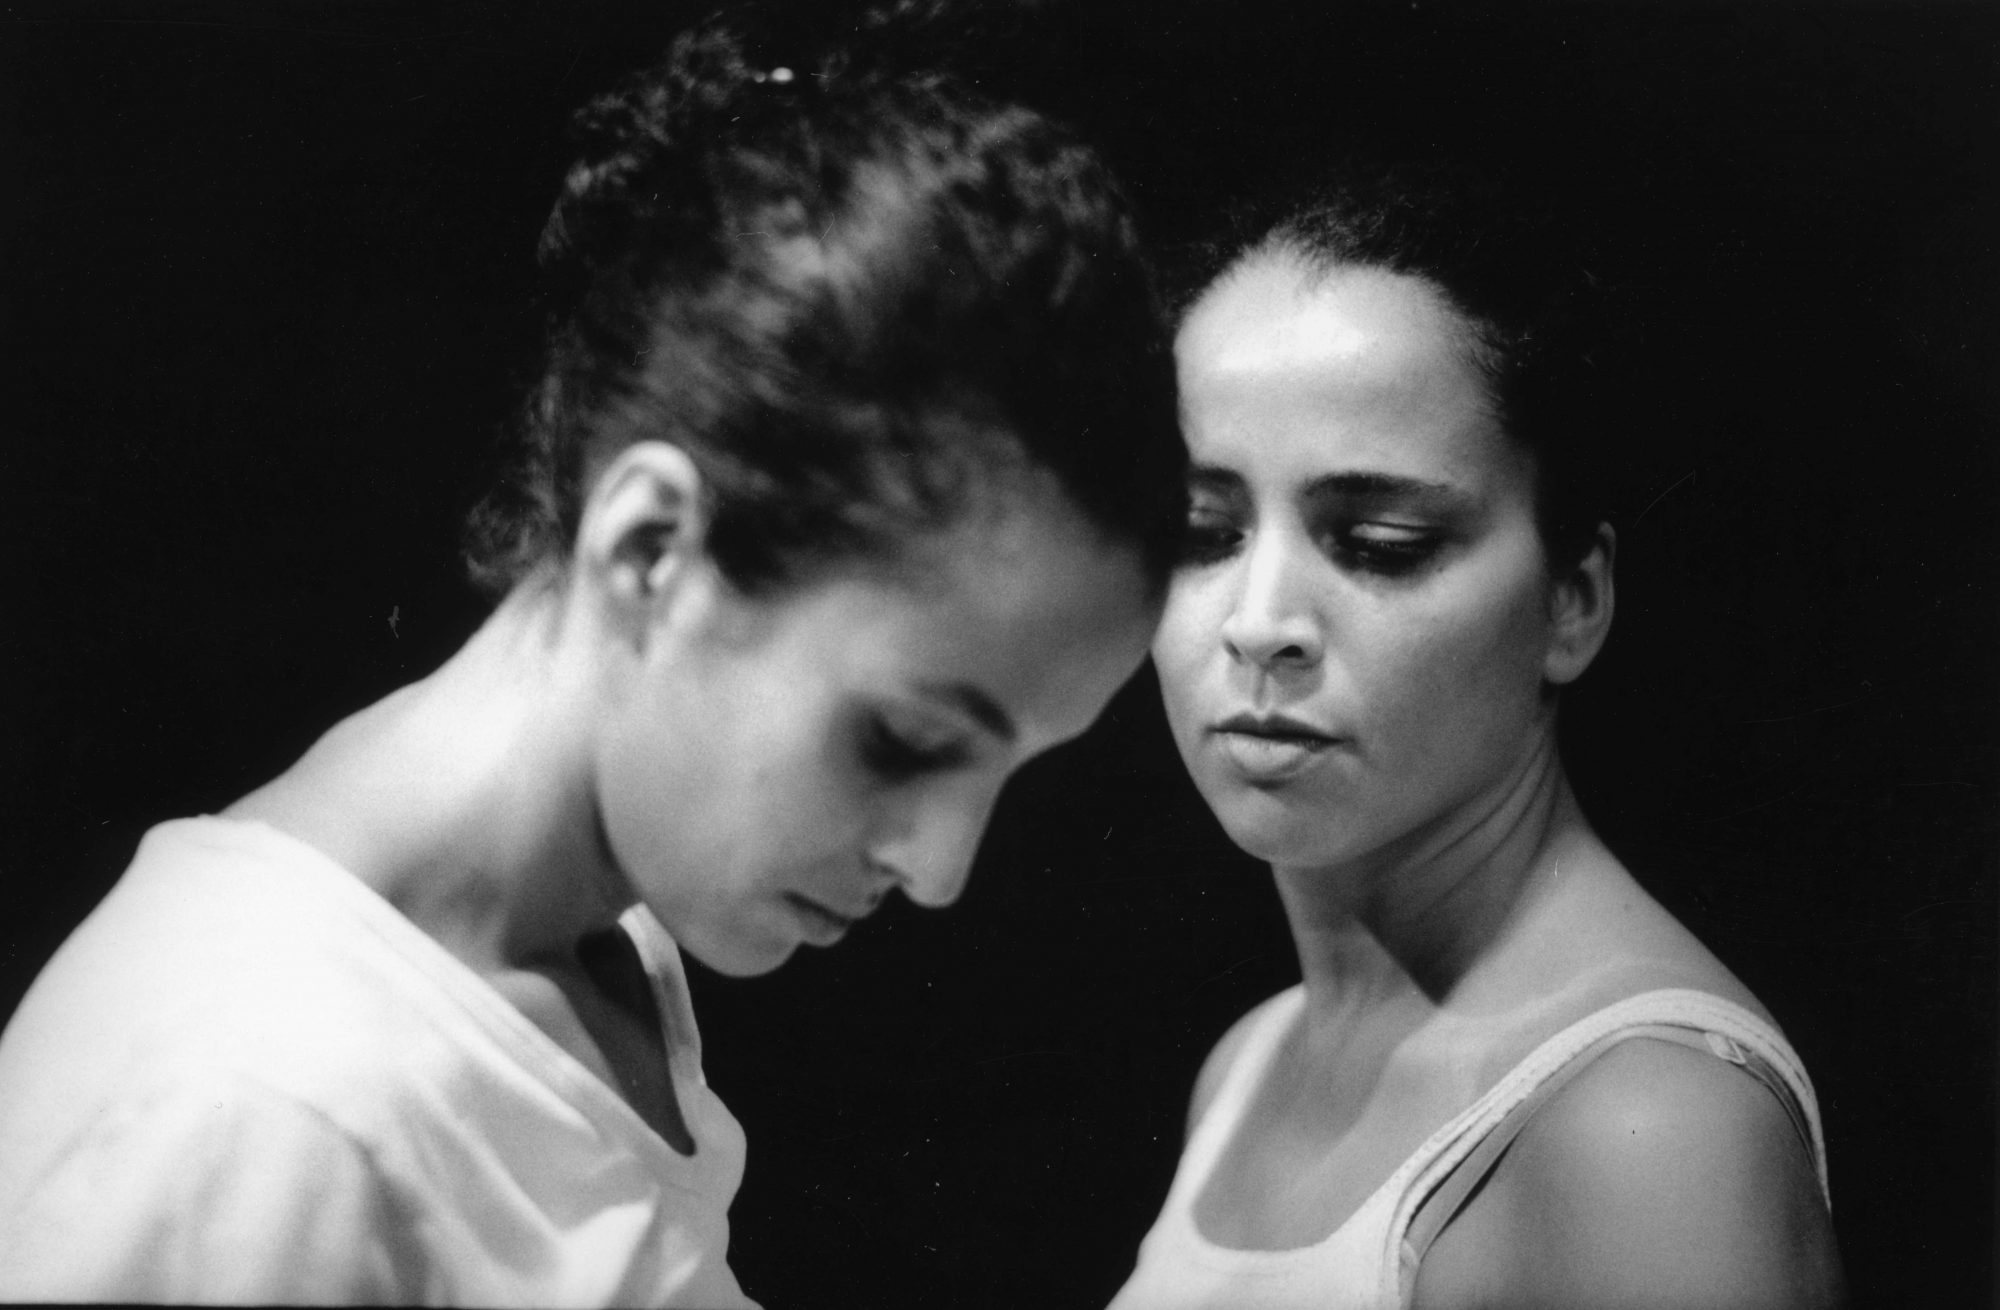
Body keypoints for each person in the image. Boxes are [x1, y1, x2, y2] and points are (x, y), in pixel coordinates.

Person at [0, 10, 1182, 1305]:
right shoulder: (246, 1106)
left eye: (1012, 772)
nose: (940, 869)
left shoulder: (603, 941)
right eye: (900, 740)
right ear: (651, 550)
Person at [1108, 167, 1842, 1308]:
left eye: (1380, 544)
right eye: (1203, 532)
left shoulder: (1647, 1129)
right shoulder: (1249, 1065)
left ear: (1571, 600)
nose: (1259, 623)